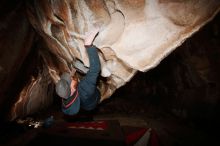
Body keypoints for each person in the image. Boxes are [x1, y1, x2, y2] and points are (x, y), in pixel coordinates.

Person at [55, 28, 101, 115]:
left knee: (79, 73)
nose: (70, 77)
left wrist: (73, 69)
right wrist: (88, 45)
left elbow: (71, 79)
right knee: (89, 75)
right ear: (72, 90)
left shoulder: (66, 94)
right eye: (70, 80)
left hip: (83, 103)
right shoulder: (85, 89)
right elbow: (95, 69)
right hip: (93, 100)